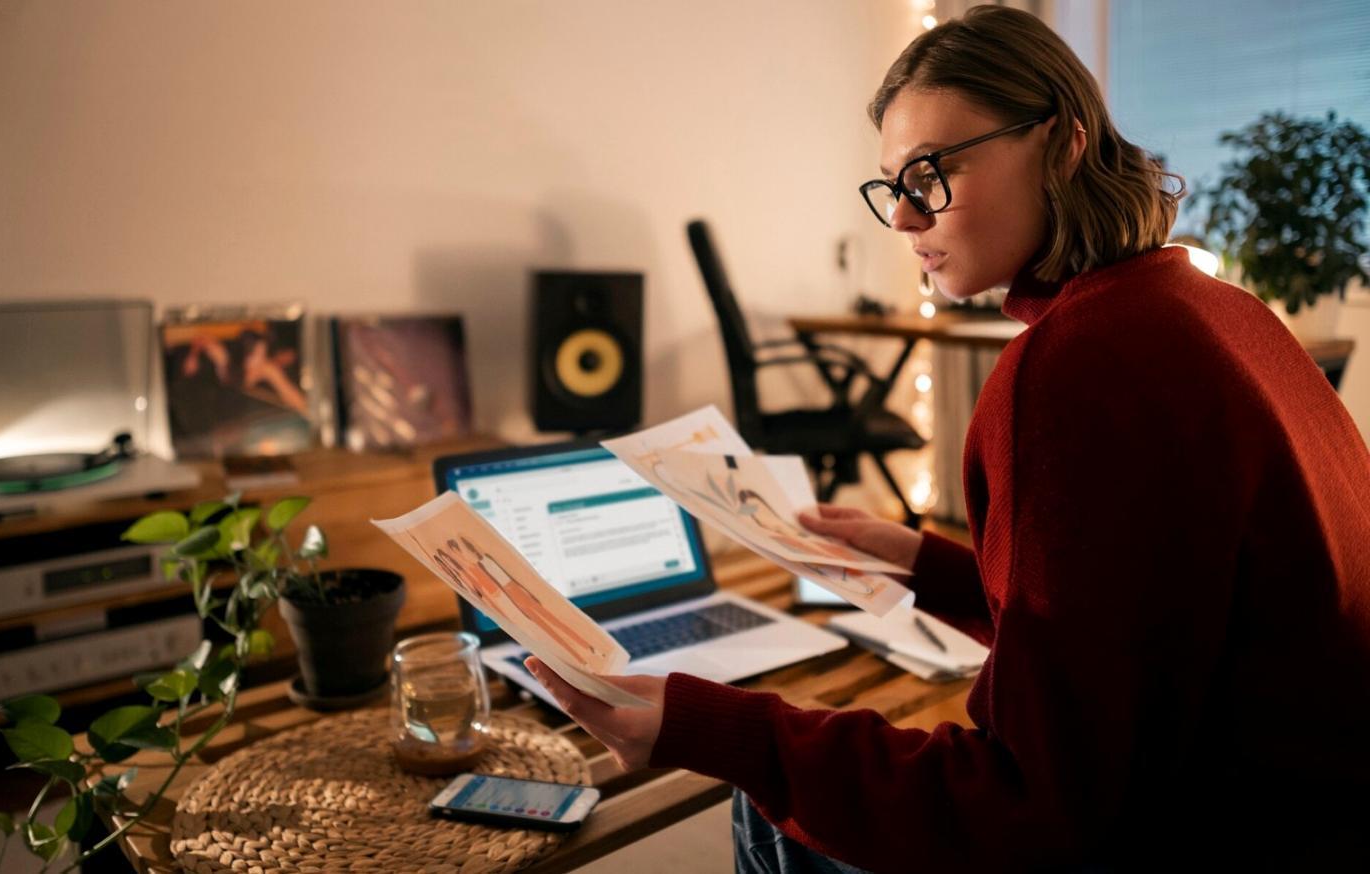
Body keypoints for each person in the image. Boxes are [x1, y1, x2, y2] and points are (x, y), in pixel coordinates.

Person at [524, 6, 1370, 871]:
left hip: (1218, 832)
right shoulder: (1215, 308)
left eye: (929, 174)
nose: (902, 218)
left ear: (1063, 143)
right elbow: (1141, 616)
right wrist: (923, 565)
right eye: (893, 184)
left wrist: (711, 728)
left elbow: (1031, 808)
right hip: (1310, 810)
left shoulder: (1075, 368)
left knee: (770, 813)